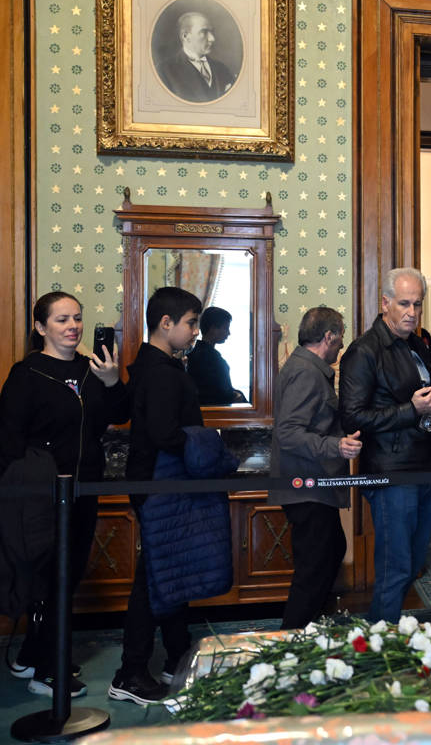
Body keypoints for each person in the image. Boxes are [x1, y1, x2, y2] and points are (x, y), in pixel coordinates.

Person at [0, 292, 128, 698]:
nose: (72, 326)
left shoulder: (92, 371)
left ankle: (34, 653)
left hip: (83, 487)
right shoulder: (28, 374)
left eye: (77, 318)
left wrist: (112, 381)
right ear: (40, 328)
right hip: (40, 493)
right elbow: (8, 441)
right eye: (61, 320)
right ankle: (46, 671)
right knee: (48, 576)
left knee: (66, 575)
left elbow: (120, 414)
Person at [109, 287, 205, 705]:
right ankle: (130, 672)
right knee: (152, 581)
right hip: (161, 484)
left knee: (170, 572)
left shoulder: (152, 366)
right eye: (191, 323)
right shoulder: (163, 372)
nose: (196, 332)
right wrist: (207, 445)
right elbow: (166, 434)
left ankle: (177, 655)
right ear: (166, 324)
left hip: (156, 483)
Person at [339, 267, 431, 623]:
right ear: (384, 303)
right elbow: (353, 418)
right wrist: (411, 409)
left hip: (423, 468)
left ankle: (389, 638)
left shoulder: (415, 344)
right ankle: (379, 647)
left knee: (414, 564)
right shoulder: (364, 351)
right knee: (396, 569)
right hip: (391, 474)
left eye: (417, 304)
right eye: (404, 303)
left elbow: (420, 402)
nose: (412, 312)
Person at [267, 307, 362, 629]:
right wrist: (336, 445)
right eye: (341, 338)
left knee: (333, 549)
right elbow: (289, 432)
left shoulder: (304, 366)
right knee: (313, 570)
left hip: (311, 484)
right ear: (329, 336)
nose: (341, 345)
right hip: (306, 485)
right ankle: (292, 639)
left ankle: (310, 630)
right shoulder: (308, 372)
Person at [156, 12, 237, 103]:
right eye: (204, 32)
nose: (212, 38)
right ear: (186, 36)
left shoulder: (222, 69)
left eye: (211, 32)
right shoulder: (164, 71)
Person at [187, 306, 246, 406]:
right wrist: (236, 395)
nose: (228, 333)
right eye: (226, 328)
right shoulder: (206, 357)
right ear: (213, 328)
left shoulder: (198, 352)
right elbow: (216, 392)